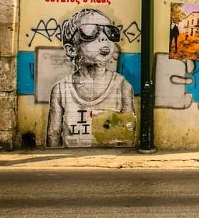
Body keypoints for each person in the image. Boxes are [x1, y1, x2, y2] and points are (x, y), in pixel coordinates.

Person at [47, 8, 135, 148]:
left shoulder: (122, 86)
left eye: (109, 31)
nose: (103, 37)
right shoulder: (61, 89)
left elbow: (127, 135)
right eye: (90, 31)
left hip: (110, 161)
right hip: (70, 162)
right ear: (71, 49)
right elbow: (53, 134)